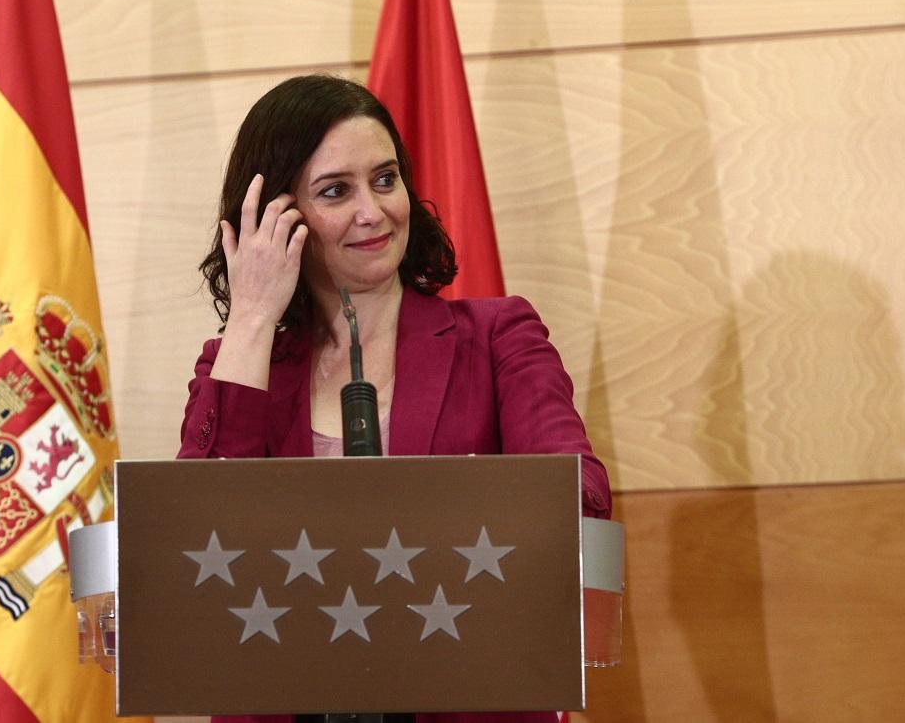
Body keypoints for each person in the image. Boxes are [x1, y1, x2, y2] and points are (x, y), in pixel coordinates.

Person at [178, 74, 611, 723]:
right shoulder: (235, 365)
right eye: (335, 191)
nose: (373, 211)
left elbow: (582, 494)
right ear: (276, 216)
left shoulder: (496, 336)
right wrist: (250, 321)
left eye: (385, 179)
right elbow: (194, 547)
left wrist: (452, 521)